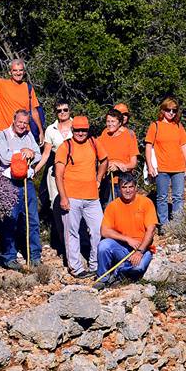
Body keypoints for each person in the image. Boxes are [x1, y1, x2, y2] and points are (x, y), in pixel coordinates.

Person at [55, 115, 109, 278]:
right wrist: (63, 198)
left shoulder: (94, 143)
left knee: (98, 230)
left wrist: (99, 178)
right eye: (77, 130)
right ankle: (76, 268)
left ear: (88, 130)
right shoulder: (66, 146)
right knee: (72, 233)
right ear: (72, 130)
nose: (80, 133)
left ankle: (95, 264)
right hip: (71, 197)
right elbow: (58, 175)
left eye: (83, 130)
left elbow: (105, 160)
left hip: (92, 197)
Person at [0, 110, 43, 269]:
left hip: (26, 182)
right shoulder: (3, 136)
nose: (22, 125)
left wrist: (29, 154)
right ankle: (9, 256)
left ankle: (35, 256)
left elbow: (38, 156)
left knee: (32, 220)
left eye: (25, 123)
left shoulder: (28, 135)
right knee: (10, 220)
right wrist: (23, 152)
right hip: (9, 184)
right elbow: (5, 157)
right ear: (14, 120)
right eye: (20, 122)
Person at [95, 172, 158, 290]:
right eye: (124, 187)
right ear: (119, 188)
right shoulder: (113, 206)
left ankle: (118, 271)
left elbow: (151, 229)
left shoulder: (146, 203)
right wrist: (127, 239)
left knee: (138, 268)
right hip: (122, 248)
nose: (127, 190)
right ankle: (102, 279)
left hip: (142, 248)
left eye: (130, 187)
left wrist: (139, 251)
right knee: (104, 245)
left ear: (135, 188)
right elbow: (104, 231)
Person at [145, 98, 186, 224]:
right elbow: (148, 147)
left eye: (174, 110)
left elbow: (184, 146)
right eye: (168, 110)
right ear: (162, 110)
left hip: (178, 167)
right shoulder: (155, 125)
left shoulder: (178, 126)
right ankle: (164, 225)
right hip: (162, 168)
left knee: (178, 197)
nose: (171, 113)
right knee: (162, 198)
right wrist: (150, 166)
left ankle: (177, 224)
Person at [41, 100, 74, 266]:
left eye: (65, 109)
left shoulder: (77, 126)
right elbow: (46, 154)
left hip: (74, 174)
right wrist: (34, 169)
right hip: (55, 174)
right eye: (59, 110)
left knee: (74, 208)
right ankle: (64, 246)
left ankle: (76, 246)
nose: (62, 112)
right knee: (57, 209)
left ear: (69, 110)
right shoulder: (50, 130)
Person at [99, 108, 139, 206]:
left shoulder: (128, 135)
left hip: (124, 181)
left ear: (120, 123)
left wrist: (118, 166)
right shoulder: (104, 134)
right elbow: (99, 157)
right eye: (108, 121)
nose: (110, 124)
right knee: (108, 208)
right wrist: (109, 164)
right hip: (107, 180)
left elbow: (133, 163)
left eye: (113, 121)